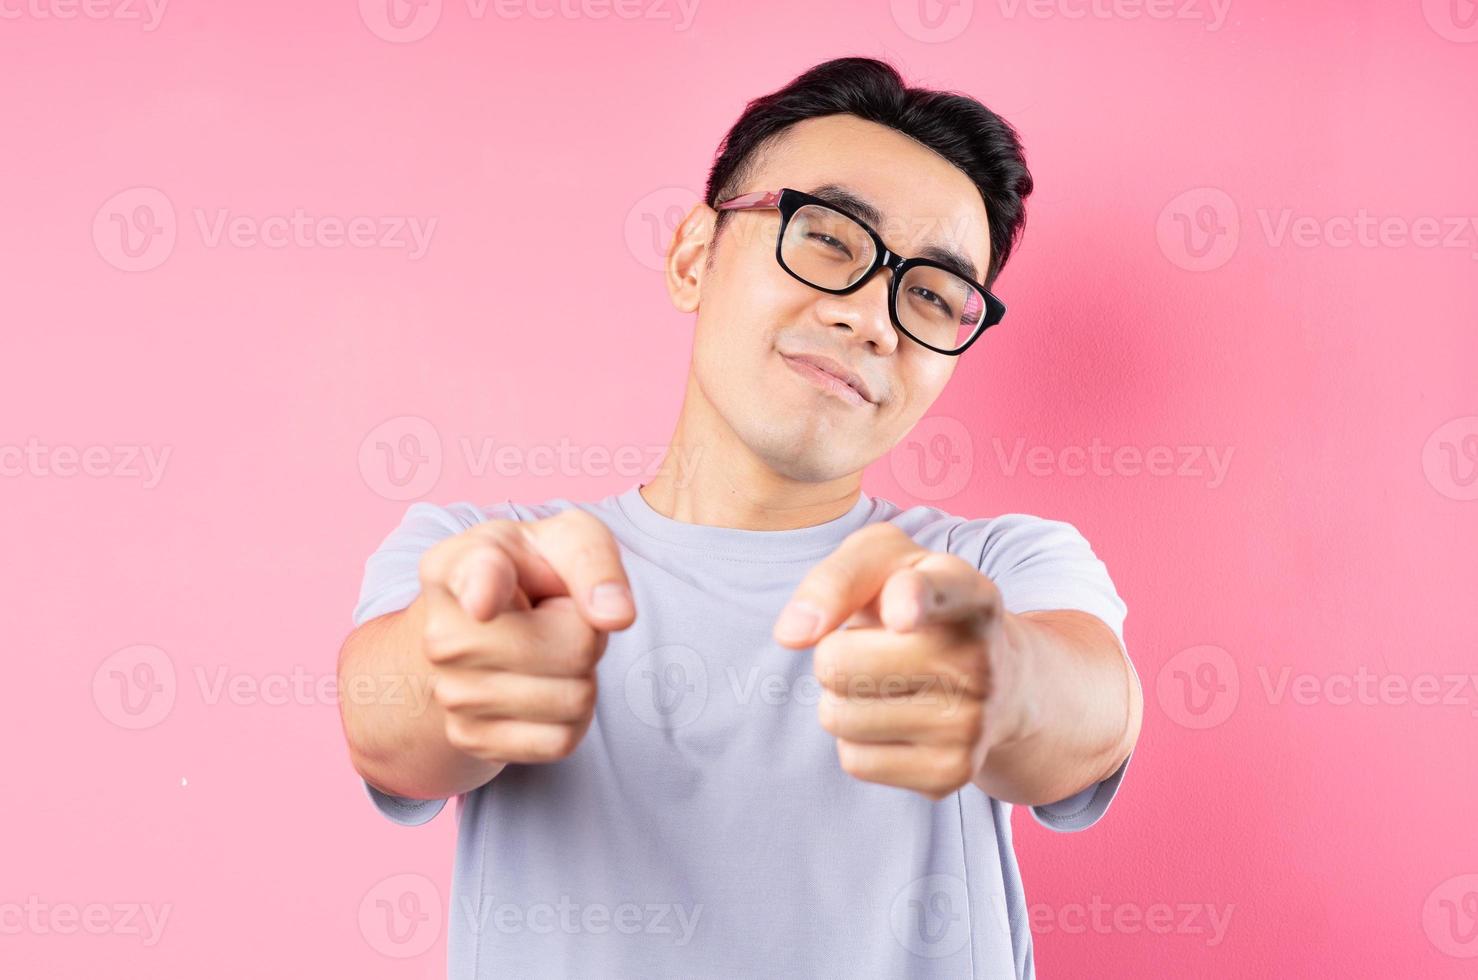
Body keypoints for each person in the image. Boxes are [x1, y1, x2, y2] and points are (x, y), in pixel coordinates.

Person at [337, 55, 1143, 979]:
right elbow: (385, 724)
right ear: (693, 255)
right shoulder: (490, 558)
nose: (873, 319)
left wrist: (1008, 680)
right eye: (830, 238)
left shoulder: (995, 569)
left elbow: (1094, 714)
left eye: (929, 293)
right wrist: (459, 669)